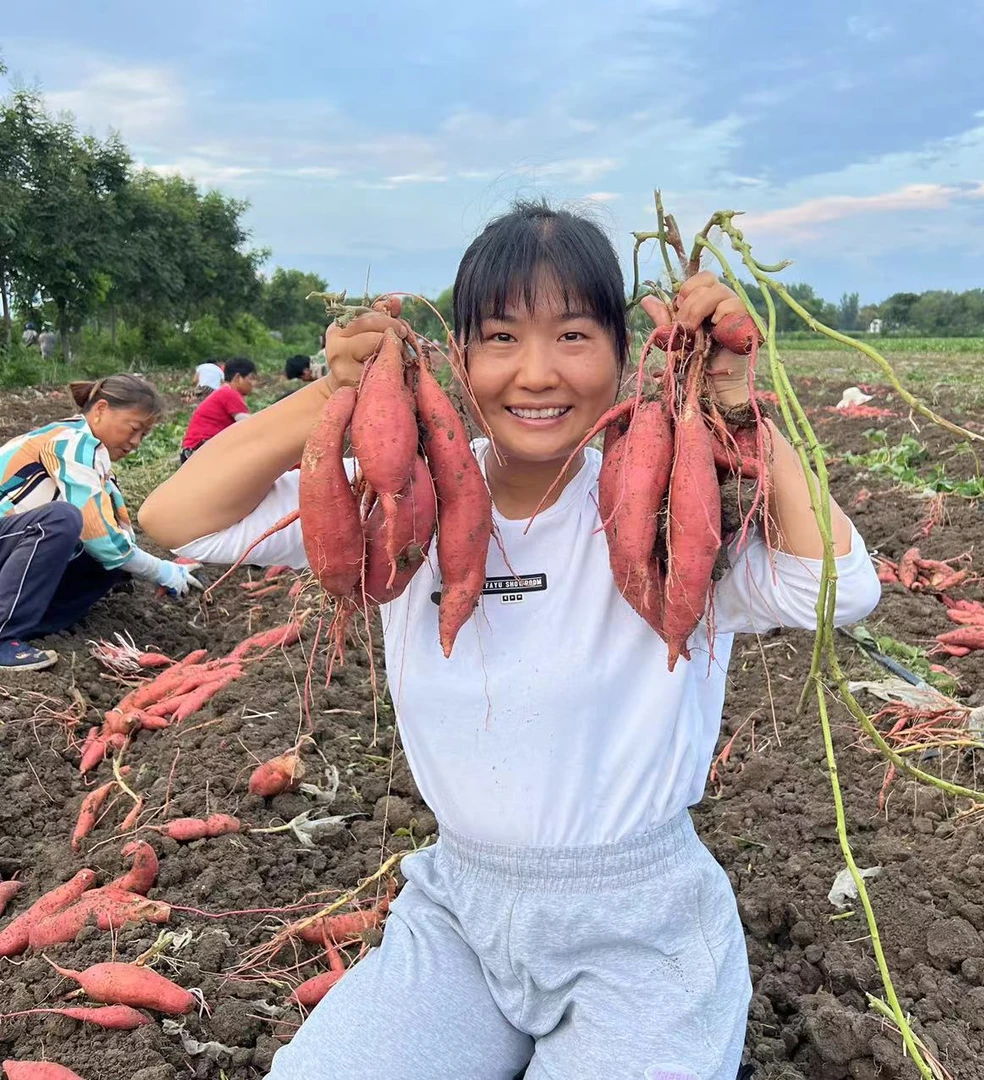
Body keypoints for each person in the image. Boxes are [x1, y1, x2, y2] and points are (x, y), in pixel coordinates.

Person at [139, 202, 880, 1080]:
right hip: (460, 912)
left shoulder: (676, 516)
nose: (536, 373)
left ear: (618, 351)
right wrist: (338, 394)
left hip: (642, 927)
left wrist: (736, 404)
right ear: (457, 355)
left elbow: (840, 589)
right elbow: (171, 519)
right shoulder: (397, 500)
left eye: (572, 336)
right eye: (499, 338)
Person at [0, 375, 203, 672]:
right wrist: (159, 569)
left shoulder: (95, 460)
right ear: (101, 409)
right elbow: (99, 535)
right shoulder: (72, 443)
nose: (135, 442)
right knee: (62, 520)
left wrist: (153, 566)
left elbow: (116, 539)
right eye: (134, 429)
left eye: (144, 436)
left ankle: (32, 627)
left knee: (110, 563)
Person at [179, 356, 258, 465]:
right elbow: (247, 423)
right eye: (251, 378)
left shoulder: (224, 391)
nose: (254, 383)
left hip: (195, 449)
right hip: (199, 450)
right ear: (238, 377)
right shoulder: (229, 393)